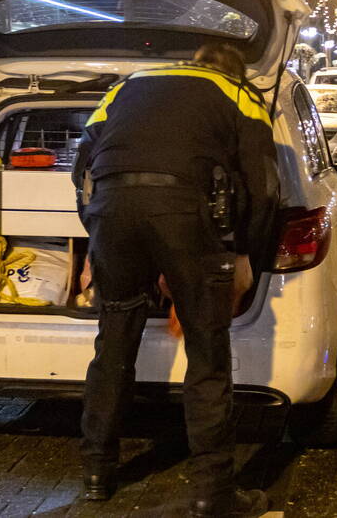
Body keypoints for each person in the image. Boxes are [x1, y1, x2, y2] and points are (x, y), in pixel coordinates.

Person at [71, 43, 278, 517]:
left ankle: (96, 474)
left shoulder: (125, 87)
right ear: (233, 73)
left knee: (114, 344)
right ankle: (213, 495)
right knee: (206, 355)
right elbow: (264, 187)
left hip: (112, 212)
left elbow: (82, 167)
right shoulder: (239, 94)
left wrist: (97, 234)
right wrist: (247, 253)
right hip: (187, 215)